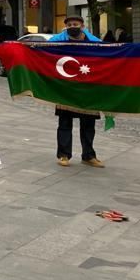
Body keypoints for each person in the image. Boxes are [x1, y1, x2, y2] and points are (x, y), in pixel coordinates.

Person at [50, 16, 104, 168]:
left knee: (88, 125)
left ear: (82, 26)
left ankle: (89, 155)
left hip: (88, 88)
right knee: (65, 123)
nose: (73, 26)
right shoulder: (57, 42)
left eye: (76, 24)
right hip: (65, 87)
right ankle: (63, 155)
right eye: (70, 25)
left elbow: (111, 51)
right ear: (65, 27)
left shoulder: (94, 42)